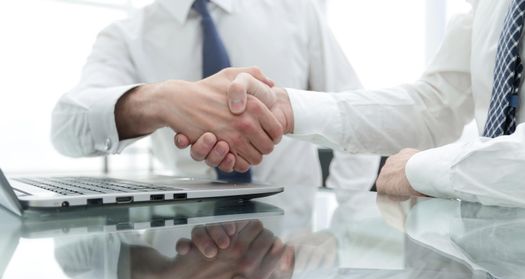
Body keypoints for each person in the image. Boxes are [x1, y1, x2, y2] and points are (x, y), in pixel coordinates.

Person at [183, 0, 525, 208]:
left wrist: (417, 170)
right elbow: (435, 105)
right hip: (493, 274)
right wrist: (290, 109)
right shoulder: (487, 6)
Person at [51, 0, 379, 189]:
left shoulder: (294, 8)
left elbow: (355, 116)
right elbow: (66, 129)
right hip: (184, 247)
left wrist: (342, 217)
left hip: (296, 246)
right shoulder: (125, 35)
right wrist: (163, 101)